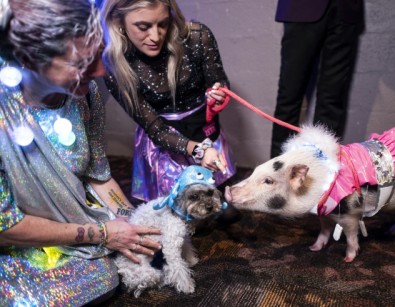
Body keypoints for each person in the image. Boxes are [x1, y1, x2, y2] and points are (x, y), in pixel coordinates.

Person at [0, 0, 161, 305]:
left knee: (120, 268)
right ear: (27, 59)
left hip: (70, 226)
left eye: (98, 55)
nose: (100, 70)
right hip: (13, 240)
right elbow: (4, 228)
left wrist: (135, 220)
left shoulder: (86, 96)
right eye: (80, 63)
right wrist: (101, 234)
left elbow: (98, 175)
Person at [101, 0, 236, 202]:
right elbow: (154, 128)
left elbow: (219, 81)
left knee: (221, 211)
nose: (155, 37)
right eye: (143, 27)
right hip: (163, 147)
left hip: (206, 132)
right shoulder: (113, 64)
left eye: (163, 24)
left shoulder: (198, 37)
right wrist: (199, 150)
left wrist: (219, 94)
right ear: (118, 20)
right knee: (173, 216)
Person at [270, 0, 365, 158]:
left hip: (345, 9)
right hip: (301, 8)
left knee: (333, 98)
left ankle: (322, 170)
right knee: (289, 97)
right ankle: (276, 172)